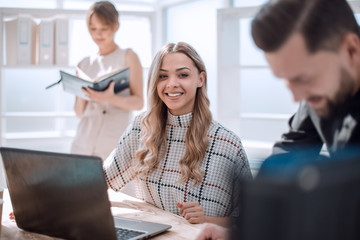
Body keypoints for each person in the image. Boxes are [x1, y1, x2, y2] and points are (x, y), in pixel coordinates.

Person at [196, 0, 360, 238]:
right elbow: (287, 157)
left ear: (351, 50)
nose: (296, 96)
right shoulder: (318, 92)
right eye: (286, 80)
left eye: (303, 78)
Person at [103, 42, 252, 226]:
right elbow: (101, 180)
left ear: (200, 79)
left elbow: (252, 221)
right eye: (163, 76)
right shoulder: (141, 128)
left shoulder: (228, 144)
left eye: (183, 75)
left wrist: (206, 219)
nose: (171, 84)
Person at [70, 1, 143, 161]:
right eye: (93, 28)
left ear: (116, 27)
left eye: (104, 29)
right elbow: (79, 113)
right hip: (83, 142)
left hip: (114, 142)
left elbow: (138, 103)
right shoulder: (84, 64)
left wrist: (109, 98)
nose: (98, 34)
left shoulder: (128, 56)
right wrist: (83, 92)